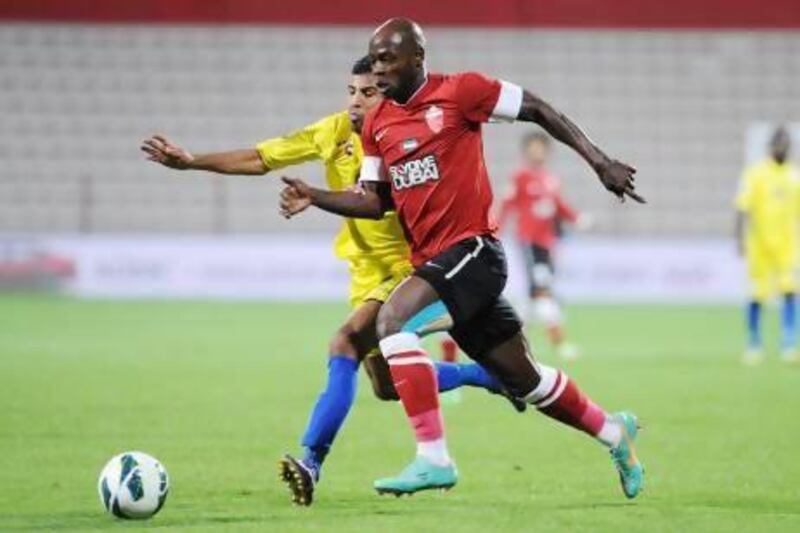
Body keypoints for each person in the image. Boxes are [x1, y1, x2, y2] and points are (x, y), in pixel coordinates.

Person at [279, 18, 646, 500]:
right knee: (526, 380)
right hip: (438, 265)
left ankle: (434, 459)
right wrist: (315, 195)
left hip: (474, 251)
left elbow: (535, 107)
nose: (380, 67)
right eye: (375, 57)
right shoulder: (379, 125)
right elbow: (375, 200)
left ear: (417, 58)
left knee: (392, 324)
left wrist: (599, 161)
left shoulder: (462, 92)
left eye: (389, 58)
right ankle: (615, 433)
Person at [140, 56, 517, 506]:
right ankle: (492, 376)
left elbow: (380, 201)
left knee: (343, 344)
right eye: (352, 92)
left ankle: (311, 463)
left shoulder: (405, 136)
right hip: (363, 274)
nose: (357, 101)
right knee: (386, 385)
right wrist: (192, 162)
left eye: (368, 92)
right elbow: (260, 157)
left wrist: (316, 198)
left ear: (390, 92)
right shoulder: (332, 132)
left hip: (407, 267)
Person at [497, 131, 588, 360]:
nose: (537, 152)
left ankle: (515, 343)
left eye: (541, 147)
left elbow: (559, 206)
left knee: (531, 296)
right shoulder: (520, 176)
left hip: (547, 243)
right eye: (533, 147)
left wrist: (577, 219)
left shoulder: (550, 179)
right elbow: (506, 204)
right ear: (526, 151)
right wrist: (494, 230)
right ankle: (561, 344)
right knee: (543, 290)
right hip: (528, 241)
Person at [735, 126, 800, 365]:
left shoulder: (795, 176)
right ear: (771, 146)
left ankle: (789, 342)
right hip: (759, 246)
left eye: (785, 144)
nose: (781, 148)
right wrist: (739, 238)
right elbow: (742, 208)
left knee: (790, 291)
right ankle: (754, 343)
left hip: (789, 246)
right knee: (756, 294)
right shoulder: (756, 174)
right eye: (778, 144)